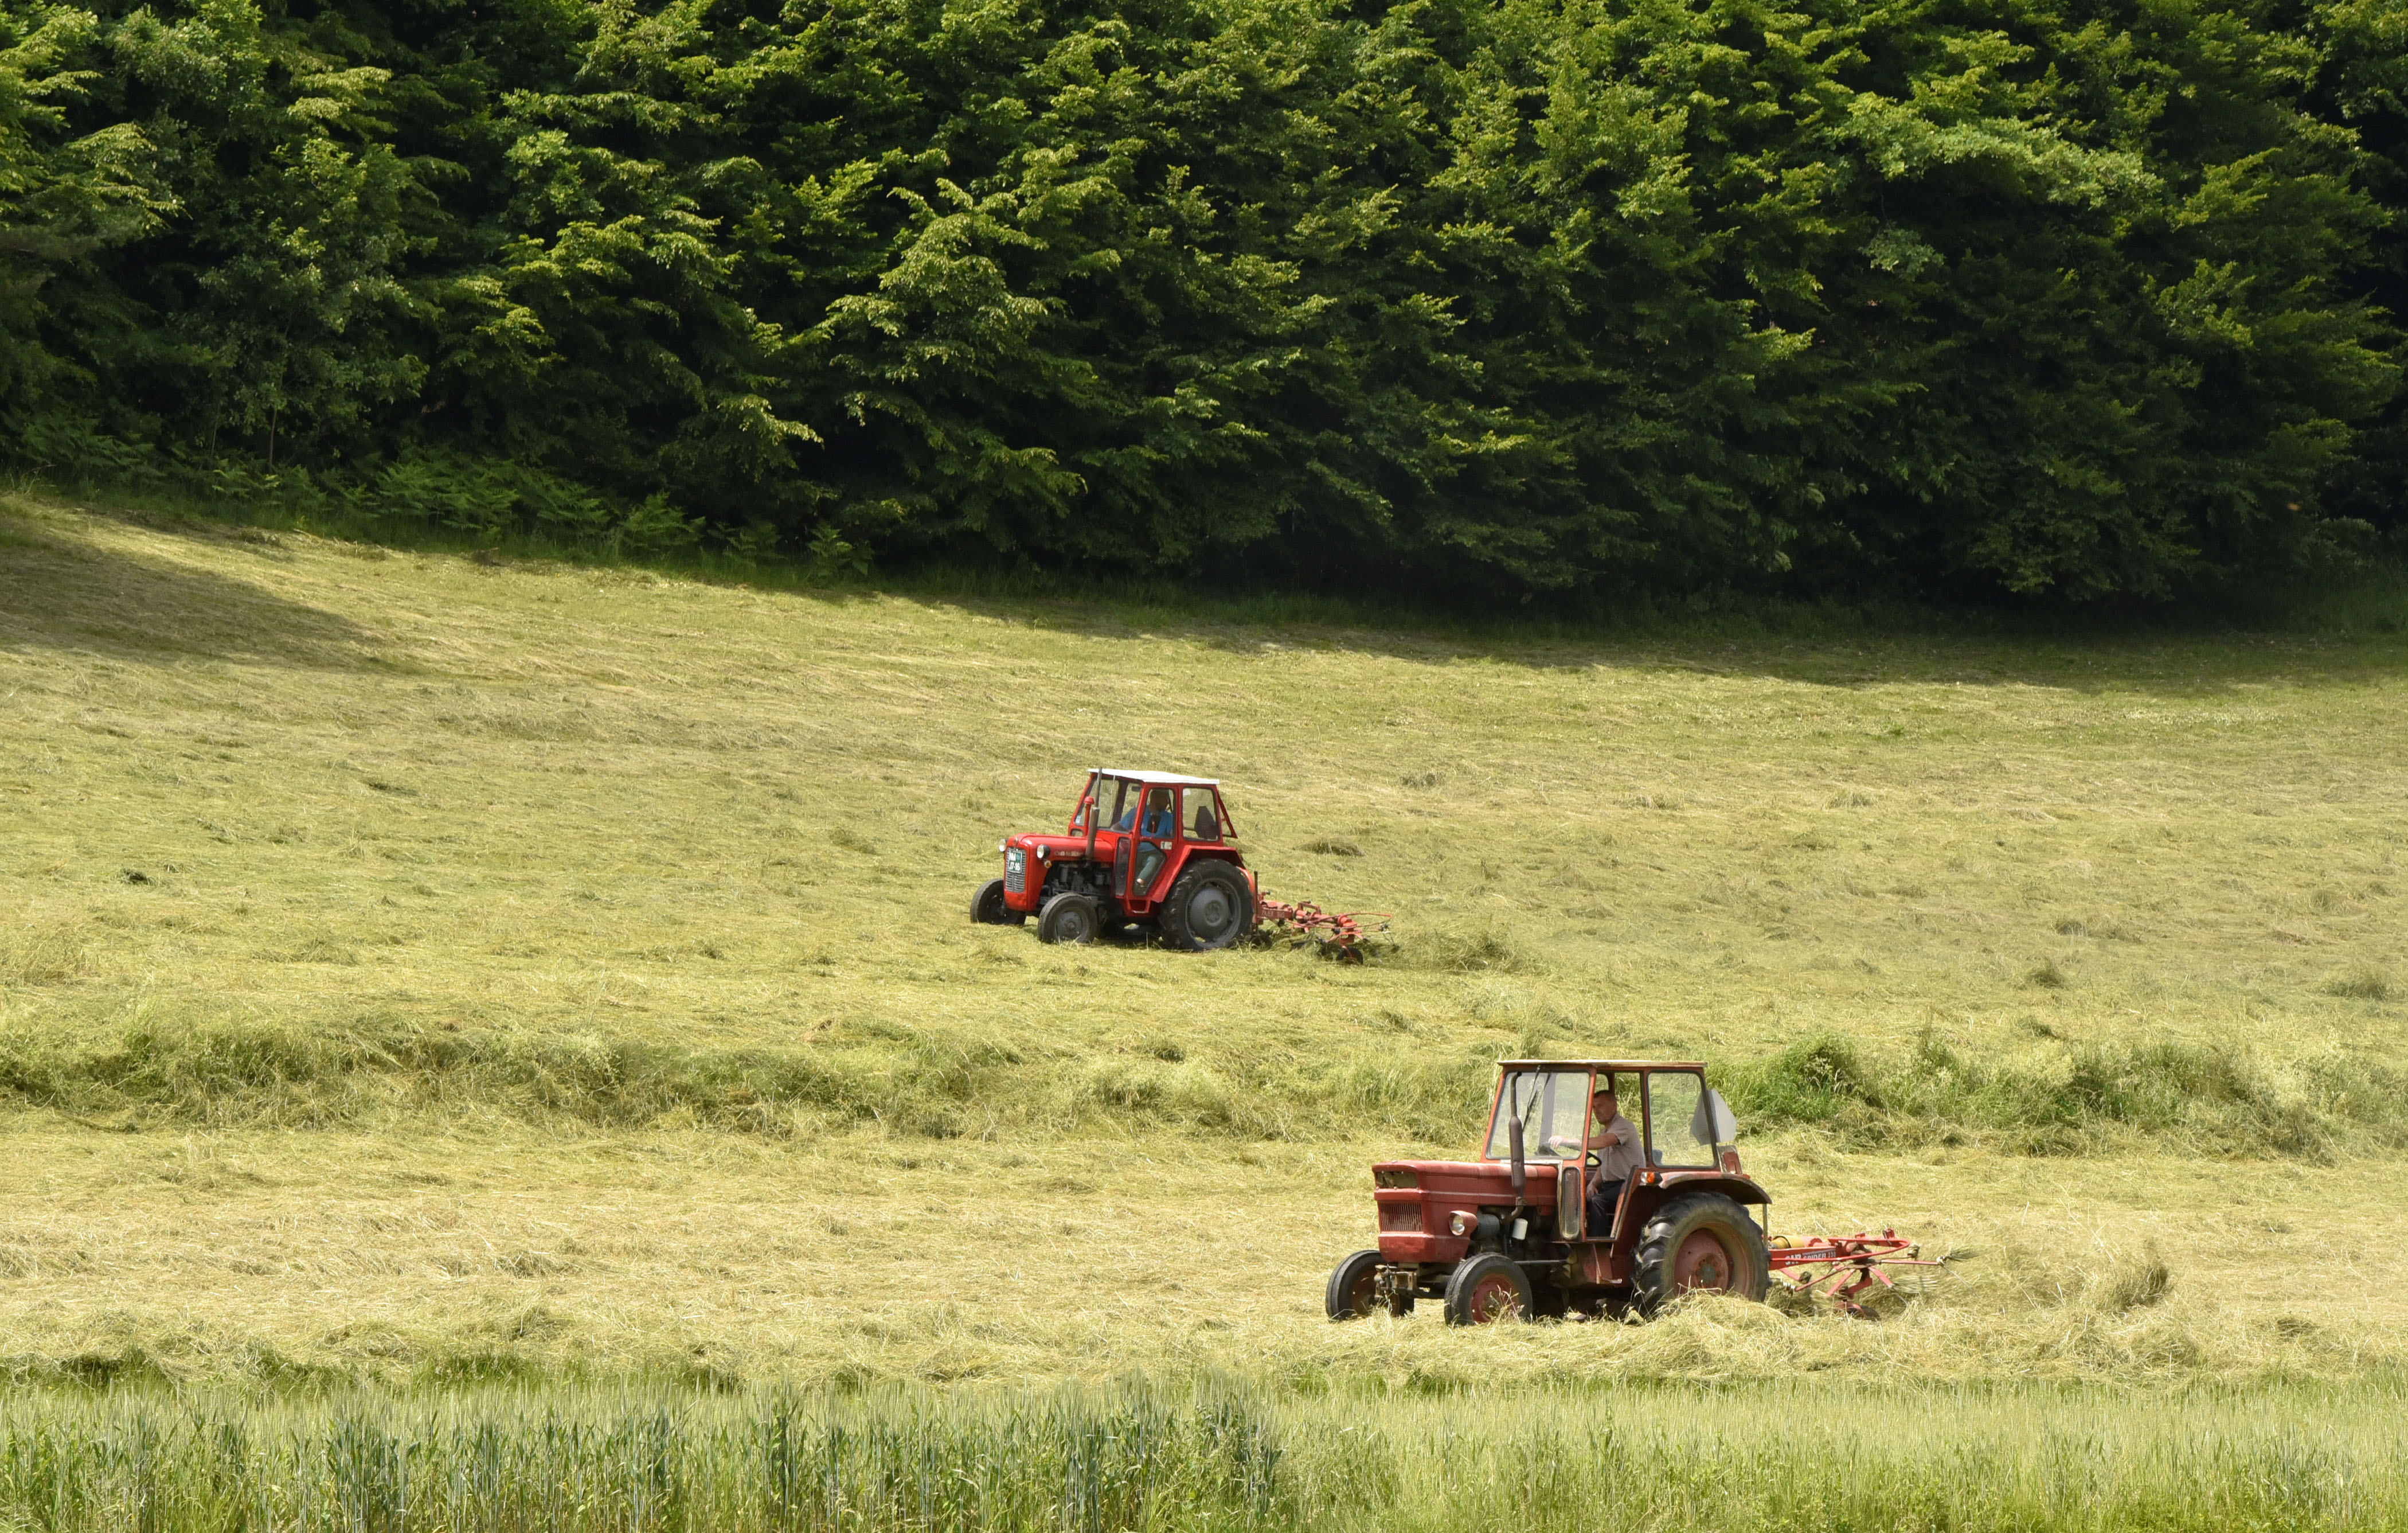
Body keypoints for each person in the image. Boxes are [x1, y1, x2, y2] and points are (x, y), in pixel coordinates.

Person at [1585, 1082, 1644, 1236]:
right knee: (1578, 1198)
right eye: (1594, 1107)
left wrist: (1573, 1142)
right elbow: (1603, 1167)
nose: (1596, 1111)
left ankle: (1597, 1245)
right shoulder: (1603, 1132)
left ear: (1614, 1106)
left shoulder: (1625, 1127)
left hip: (1629, 1184)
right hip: (1610, 1185)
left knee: (1598, 1201)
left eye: (1601, 1106)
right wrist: (1592, 1183)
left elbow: (1603, 1143)